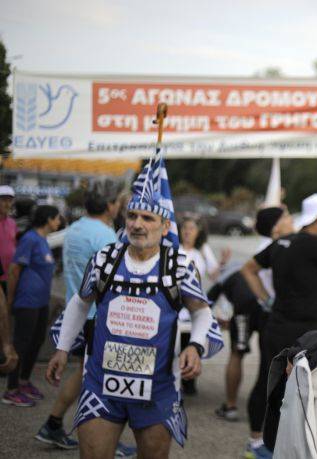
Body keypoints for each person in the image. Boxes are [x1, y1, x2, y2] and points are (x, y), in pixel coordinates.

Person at [45, 153, 216, 458]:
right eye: (132, 216)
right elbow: (80, 303)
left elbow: (201, 311)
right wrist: (62, 347)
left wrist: (196, 347)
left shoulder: (178, 265)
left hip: (157, 389)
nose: (137, 224)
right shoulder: (105, 259)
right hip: (102, 384)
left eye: (147, 218)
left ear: (164, 227)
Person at [242, 194, 317, 459]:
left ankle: (258, 442)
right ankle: (296, 445)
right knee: (306, 388)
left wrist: (266, 300)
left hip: (277, 324)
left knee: (267, 383)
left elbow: (248, 269)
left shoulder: (282, 242)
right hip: (308, 333)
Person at [35, 184, 137, 456]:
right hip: (96, 316)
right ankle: (103, 439)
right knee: (97, 379)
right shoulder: (105, 236)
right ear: (109, 207)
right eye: (116, 203)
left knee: (85, 373)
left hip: (76, 308)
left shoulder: (76, 228)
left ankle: (54, 423)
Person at [214, 206, 293, 424]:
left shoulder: (271, 244)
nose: (291, 220)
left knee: (257, 358)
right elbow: (249, 272)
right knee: (240, 353)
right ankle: (232, 405)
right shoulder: (274, 246)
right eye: (286, 216)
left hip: (262, 307)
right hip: (250, 306)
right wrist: (268, 299)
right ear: (276, 225)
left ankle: (249, 408)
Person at [3, 205, 61, 407]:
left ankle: (23, 381)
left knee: (36, 341)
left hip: (41, 301)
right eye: (56, 218)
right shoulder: (30, 239)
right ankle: (11, 389)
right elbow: (14, 269)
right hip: (27, 300)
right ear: (48, 219)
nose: (59, 221)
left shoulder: (43, 240)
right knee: (21, 343)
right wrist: (10, 300)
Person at [178, 215, 230, 395]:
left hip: (193, 306)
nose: (187, 232)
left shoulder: (202, 250)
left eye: (191, 228)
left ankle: (189, 381)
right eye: (185, 228)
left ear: (198, 232)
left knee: (192, 341)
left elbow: (214, 276)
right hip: (175, 304)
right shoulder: (173, 248)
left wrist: (223, 262)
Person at [0, 185, 16, 294]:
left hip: (9, 277)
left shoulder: (12, 223)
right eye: (4, 200)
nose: (7, 204)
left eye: (10, 201)